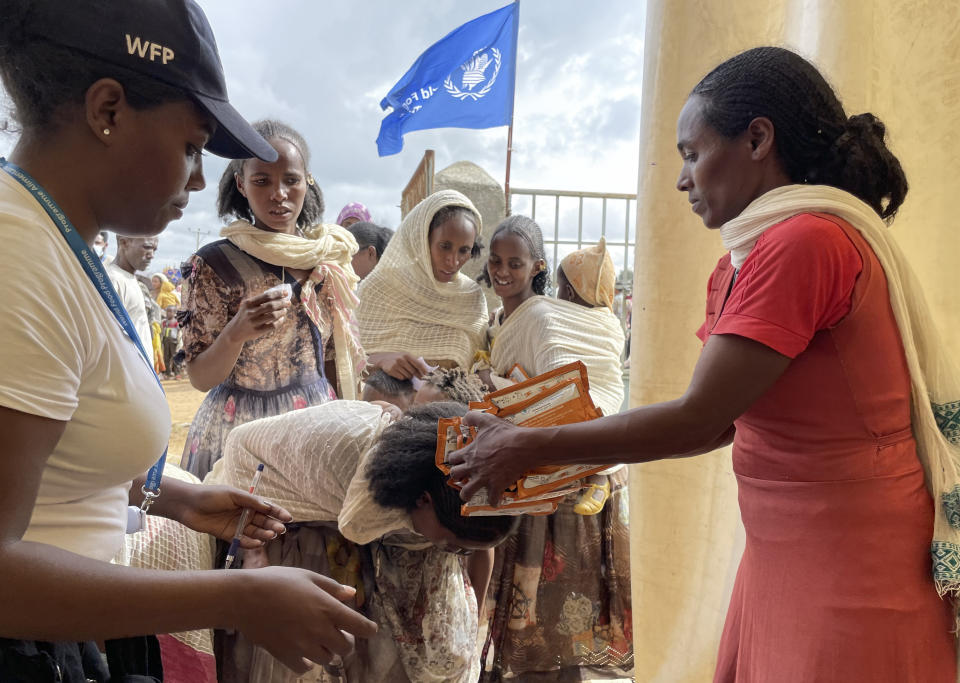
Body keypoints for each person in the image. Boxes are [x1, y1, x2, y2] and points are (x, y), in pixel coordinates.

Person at [451, 46, 959, 682]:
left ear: (757, 139)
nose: (682, 178)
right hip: (790, 540)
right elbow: (721, 422)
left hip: (848, 552)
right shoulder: (758, 254)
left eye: (693, 153)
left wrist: (532, 445)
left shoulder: (804, 243)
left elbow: (700, 420)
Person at [0, 1, 376, 680]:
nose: (201, 180)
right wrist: (234, 594)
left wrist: (181, 499)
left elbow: (61, 474)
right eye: (192, 147)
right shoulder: (17, 256)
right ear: (107, 111)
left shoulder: (59, 248)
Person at [208, 398, 511, 683]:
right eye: (452, 546)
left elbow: (482, 551)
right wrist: (254, 546)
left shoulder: (450, 483)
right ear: (422, 499)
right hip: (269, 497)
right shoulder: (354, 492)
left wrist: (472, 621)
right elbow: (240, 447)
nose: (456, 555)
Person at [475, 217, 633, 679]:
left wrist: (494, 385)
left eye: (516, 263)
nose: (504, 272)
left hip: (559, 488)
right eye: (496, 261)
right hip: (525, 476)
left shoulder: (543, 317)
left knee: (556, 623)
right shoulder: (499, 319)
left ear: (537, 268)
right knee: (524, 624)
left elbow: (562, 399)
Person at [180, 119, 364, 479]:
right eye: (262, 181)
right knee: (241, 533)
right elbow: (201, 377)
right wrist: (236, 332)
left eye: (291, 180)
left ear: (307, 180)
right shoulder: (216, 263)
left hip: (314, 429)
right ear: (241, 185)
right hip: (239, 436)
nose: (278, 194)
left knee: (312, 535)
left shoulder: (326, 261)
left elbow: (331, 362)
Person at [357, 189, 487, 380]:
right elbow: (345, 362)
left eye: (464, 250)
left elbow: (479, 367)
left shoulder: (472, 299)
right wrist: (381, 360)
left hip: (453, 409)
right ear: (423, 240)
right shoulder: (378, 288)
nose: (453, 260)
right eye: (445, 246)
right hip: (382, 407)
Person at [107, 235, 158, 348]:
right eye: (147, 247)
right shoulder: (113, 280)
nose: (152, 255)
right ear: (124, 243)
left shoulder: (129, 278)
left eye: (154, 249)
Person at [161, 305, 181, 379]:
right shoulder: (164, 322)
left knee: (175, 357)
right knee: (166, 357)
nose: (168, 313)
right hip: (166, 341)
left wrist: (179, 341)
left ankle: (177, 373)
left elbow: (179, 332)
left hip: (174, 341)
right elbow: (162, 331)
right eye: (167, 311)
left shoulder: (176, 322)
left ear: (174, 313)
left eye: (170, 311)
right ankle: (168, 373)